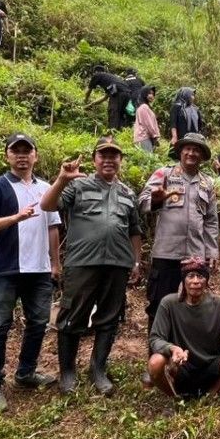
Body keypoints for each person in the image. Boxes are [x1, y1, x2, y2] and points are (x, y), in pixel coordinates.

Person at [40, 136, 143, 396]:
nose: (108, 160)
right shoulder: (78, 186)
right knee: (72, 316)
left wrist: (136, 261)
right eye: (103, 155)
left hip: (118, 264)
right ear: (95, 159)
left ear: (120, 160)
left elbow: (135, 230)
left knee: (109, 318)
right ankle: (68, 372)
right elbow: (47, 205)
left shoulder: (128, 193)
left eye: (114, 156)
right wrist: (63, 178)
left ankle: (98, 369)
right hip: (82, 262)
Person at [0, 133, 61, 411]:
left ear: (36, 155)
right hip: (5, 269)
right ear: (7, 155)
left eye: (27, 151)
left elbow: (53, 227)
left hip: (39, 270)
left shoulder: (47, 188)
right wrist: (15, 218)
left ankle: (25, 372)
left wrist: (55, 262)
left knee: (38, 323)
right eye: (16, 151)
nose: (22, 156)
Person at [139, 132, 220, 334]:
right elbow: (141, 203)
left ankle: (183, 357)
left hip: (195, 256)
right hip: (166, 254)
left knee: (191, 305)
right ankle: (157, 355)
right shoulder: (163, 174)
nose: (192, 153)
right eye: (188, 149)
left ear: (202, 155)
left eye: (197, 150)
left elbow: (210, 220)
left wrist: (212, 252)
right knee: (159, 306)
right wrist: (157, 199)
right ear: (180, 151)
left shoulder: (207, 183)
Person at [147, 258, 220, 399]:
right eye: (190, 276)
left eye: (200, 276)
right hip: (180, 367)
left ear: (207, 281)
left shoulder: (219, 304)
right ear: (183, 281)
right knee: (155, 362)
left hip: (210, 366)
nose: (196, 281)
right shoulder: (169, 303)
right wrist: (172, 348)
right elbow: (155, 338)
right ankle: (175, 398)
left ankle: (210, 394)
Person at [132, 85, 160, 153]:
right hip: (144, 138)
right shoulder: (144, 107)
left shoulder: (144, 107)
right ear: (144, 94)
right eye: (149, 93)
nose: (152, 96)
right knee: (148, 161)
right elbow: (148, 124)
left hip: (143, 138)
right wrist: (155, 136)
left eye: (153, 94)